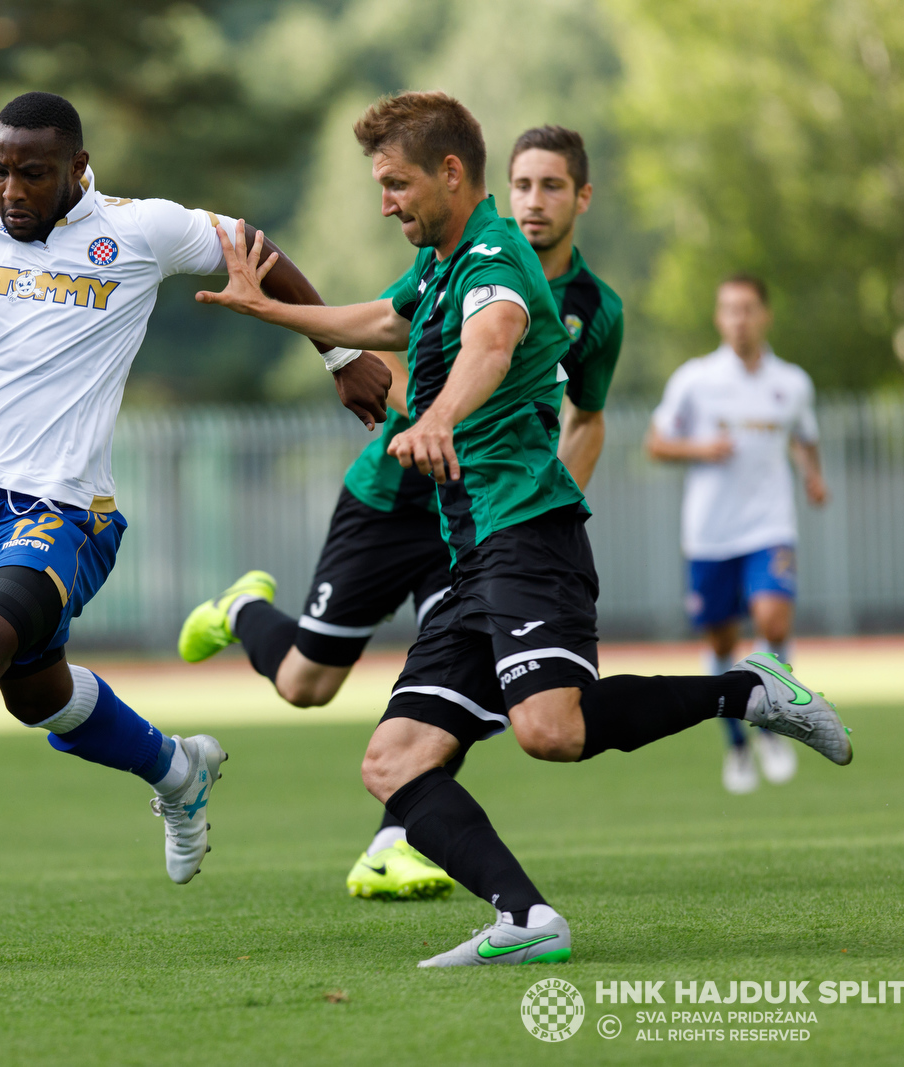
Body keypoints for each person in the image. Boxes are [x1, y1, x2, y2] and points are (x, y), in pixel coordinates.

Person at [196, 90, 851, 967]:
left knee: (551, 730)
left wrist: (439, 417)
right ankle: (526, 919)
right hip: (471, 552)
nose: (385, 202)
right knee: (393, 761)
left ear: (451, 174)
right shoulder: (442, 261)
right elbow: (386, 321)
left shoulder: (497, 260)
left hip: (524, 537)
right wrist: (278, 313)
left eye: (396, 184)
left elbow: (493, 341)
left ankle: (750, 690)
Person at [0, 92, 392, 945]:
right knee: (35, 694)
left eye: (34, 172)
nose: (12, 188)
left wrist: (341, 353)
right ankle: (177, 768)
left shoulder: (141, 229)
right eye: (2, 168)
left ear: (79, 170)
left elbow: (251, 247)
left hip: (68, 515)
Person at [176, 123, 625, 904]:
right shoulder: (458, 256)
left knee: (462, 675)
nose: (534, 201)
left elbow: (584, 419)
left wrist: (541, 519)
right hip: (394, 497)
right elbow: (401, 330)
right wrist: (291, 325)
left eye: (552, 186)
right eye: (522, 184)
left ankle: (397, 838)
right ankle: (245, 609)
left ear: (582, 197)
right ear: (495, 186)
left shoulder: (596, 310)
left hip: (484, 513)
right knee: (306, 681)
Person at [646, 275, 830, 794]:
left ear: (765, 315)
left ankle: (773, 720)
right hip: (709, 535)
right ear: (718, 318)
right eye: (729, 309)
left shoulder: (791, 382)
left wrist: (812, 475)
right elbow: (656, 443)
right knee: (723, 643)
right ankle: (736, 743)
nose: (739, 319)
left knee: (772, 618)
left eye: (748, 309)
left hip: (770, 527)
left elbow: (805, 437)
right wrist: (700, 449)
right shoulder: (695, 380)